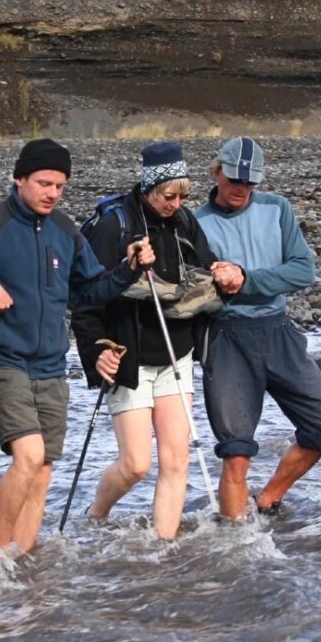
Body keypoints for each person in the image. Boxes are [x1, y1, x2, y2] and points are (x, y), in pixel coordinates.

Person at [0, 138, 154, 556]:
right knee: (29, 456)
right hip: (3, 360)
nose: (52, 193)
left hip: (52, 366)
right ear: (19, 179)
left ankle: (24, 559)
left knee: (44, 469)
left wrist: (129, 269)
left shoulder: (66, 230)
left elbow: (91, 289)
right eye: (44, 183)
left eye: (60, 186)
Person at [193, 137, 321, 519]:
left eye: (250, 182)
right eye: (234, 180)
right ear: (217, 172)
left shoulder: (277, 209)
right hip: (227, 340)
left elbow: (303, 271)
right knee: (236, 453)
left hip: (278, 334)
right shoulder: (196, 224)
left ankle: (268, 498)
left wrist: (247, 279)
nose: (242, 188)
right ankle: (235, 541)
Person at [73, 142, 217, 538]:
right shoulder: (114, 225)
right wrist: (96, 350)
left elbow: (203, 267)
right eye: (169, 196)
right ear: (150, 187)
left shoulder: (183, 221)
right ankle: (96, 515)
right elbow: (85, 298)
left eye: (183, 196)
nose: (176, 204)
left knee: (177, 461)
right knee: (136, 464)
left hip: (176, 353)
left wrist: (222, 274)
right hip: (129, 355)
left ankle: (164, 548)